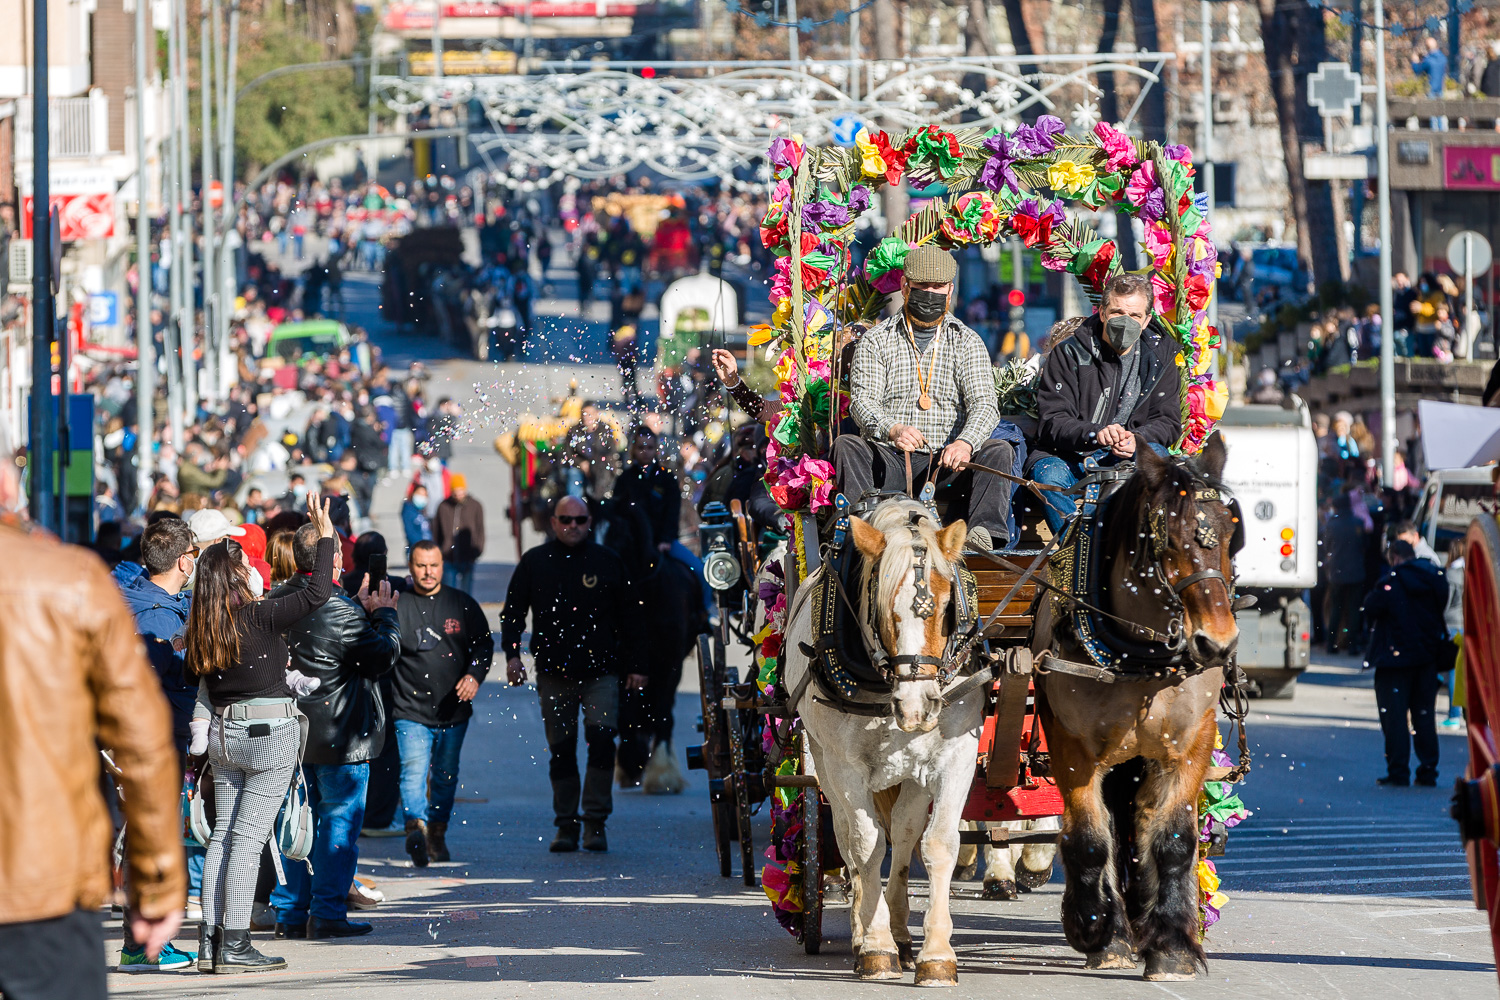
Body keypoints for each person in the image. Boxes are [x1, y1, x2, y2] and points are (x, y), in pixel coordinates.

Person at [0, 432, 188, 999]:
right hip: (42, 877)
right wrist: (155, 882)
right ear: (11, 487)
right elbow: (141, 738)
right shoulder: (72, 581)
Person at [187, 495, 338, 973]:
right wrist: (327, 534)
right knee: (249, 840)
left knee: (223, 838)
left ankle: (210, 942)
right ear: (237, 576)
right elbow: (318, 592)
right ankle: (235, 944)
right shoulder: (258, 615)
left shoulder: (202, 626)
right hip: (268, 733)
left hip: (223, 736)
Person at [269, 523, 400, 940]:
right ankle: (325, 912)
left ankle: (290, 913)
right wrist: (385, 616)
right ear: (335, 559)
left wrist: (357, 609)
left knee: (294, 822)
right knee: (337, 825)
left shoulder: (276, 600)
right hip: (339, 735)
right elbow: (381, 656)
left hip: (290, 730)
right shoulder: (339, 610)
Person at [835, 244, 1011, 550]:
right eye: (921, 287)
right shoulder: (877, 339)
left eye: (938, 287)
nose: (930, 294)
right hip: (890, 460)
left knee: (999, 450)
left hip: (945, 462)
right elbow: (862, 402)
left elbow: (984, 404)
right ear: (905, 287)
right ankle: (860, 540)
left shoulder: (967, 340)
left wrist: (965, 443)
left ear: (950, 290)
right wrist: (892, 429)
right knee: (847, 445)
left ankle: (983, 537)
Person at [502, 496, 646, 853]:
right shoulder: (535, 562)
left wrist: (637, 665)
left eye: (579, 520)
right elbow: (513, 613)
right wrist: (512, 656)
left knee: (600, 743)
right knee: (561, 750)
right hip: (554, 672)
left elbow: (631, 618)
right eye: (565, 520)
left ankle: (595, 822)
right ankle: (565, 824)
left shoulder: (608, 561)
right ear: (552, 522)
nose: (572, 526)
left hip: (601, 672)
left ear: (590, 522)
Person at [1026, 273, 1184, 533]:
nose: (1125, 321)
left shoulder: (1161, 358)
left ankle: (1145, 551)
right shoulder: (1069, 352)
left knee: (1160, 464)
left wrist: (1137, 439)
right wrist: (1096, 433)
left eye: (1134, 316)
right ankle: (1076, 549)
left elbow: (1167, 421)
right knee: (1047, 476)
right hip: (1070, 454)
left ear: (1146, 320)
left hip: (1129, 453)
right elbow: (1053, 420)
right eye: (1117, 312)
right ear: (1101, 313)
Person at [116, 516, 207, 956]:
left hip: (149, 740)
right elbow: (150, 685)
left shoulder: (133, 588)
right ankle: (143, 946)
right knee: (155, 839)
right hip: (154, 742)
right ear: (185, 562)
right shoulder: (156, 617)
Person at [393, 540, 493, 868]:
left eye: (433, 565)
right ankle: (415, 828)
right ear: (411, 567)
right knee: (413, 771)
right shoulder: (397, 605)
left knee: (446, 776)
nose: (428, 572)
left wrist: (475, 676)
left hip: (453, 712)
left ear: (442, 566)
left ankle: (437, 831)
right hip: (409, 710)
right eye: (421, 566)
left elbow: (483, 645)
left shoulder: (461, 603)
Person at [1363, 539, 1449, 786]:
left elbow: (1371, 606)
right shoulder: (1433, 577)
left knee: (1395, 718)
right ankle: (1428, 770)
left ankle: (1398, 771)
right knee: (1424, 715)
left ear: (1394, 557)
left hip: (1395, 659)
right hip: (1426, 656)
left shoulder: (1392, 580)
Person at [613, 428, 713, 614]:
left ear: (656, 449)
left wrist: (666, 540)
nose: (645, 451)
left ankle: (704, 615)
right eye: (641, 447)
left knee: (700, 572)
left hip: (664, 543)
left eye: (650, 447)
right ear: (633, 449)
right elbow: (618, 516)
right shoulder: (624, 480)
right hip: (632, 548)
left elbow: (672, 511)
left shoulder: (666, 477)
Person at [1323, 494, 1369, 654]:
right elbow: (1364, 545)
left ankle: (1331, 644)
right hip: (1356, 572)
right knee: (1354, 609)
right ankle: (1353, 645)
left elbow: (1326, 547)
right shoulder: (1358, 523)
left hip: (1337, 573)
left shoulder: (1332, 525)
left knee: (1336, 608)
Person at [433, 472, 485, 593]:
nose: (458, 494)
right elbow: (436, 532)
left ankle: (465, 612)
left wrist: (477, 550)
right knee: (448, 593)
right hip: (448, 557)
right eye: (455, 491)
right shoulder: (443, 506)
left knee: (466, 593)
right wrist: (440, 550)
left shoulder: (475, 506)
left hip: (468, 556)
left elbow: (480, 531)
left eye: (461, 490)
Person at [402, 481, 433, 556]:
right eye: (419, 494)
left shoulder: (424, 511)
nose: (422, 497)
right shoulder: (408, 510)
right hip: (416, 549)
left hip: (429, 548)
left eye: (424, 495)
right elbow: (410, 532)